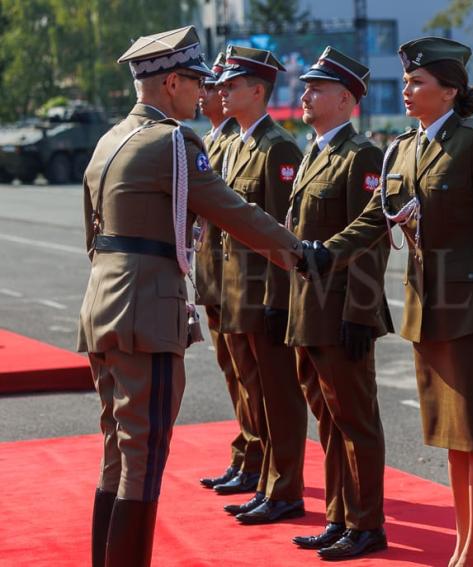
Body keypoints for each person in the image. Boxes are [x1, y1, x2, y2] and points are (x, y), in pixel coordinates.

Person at [80, 26, 303, 567]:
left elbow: (91, 236)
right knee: (143, 454)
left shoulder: (111, 138)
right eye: (197, 83)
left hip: (103, 305)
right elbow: (235, 213)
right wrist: (300, 253)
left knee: (117, 448)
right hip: (145, 312)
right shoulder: (174, 144)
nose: (204, 94)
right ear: (172, 82)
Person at [299, 36, 473, 567]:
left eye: (418, 81)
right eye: (405, 80)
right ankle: (465, 547)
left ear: (450, 92)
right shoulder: (403, 148)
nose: (406, 88)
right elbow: (378, 220)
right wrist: (327, 253)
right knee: (451, 437)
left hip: (472, 311)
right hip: (426, 308)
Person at [285, 46, 393, 560]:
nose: (304, 95)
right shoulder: (314, 151)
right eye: (306, 87)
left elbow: (370, 242)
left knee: (356, 423)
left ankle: (367, 524)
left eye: (315, 88)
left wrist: (361, 312)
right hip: (309, 310)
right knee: (328, 422)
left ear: (345, 98)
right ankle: (339, 516)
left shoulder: (363, 157)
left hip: (341, 312)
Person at [214, 45, 308, 525]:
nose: (223, 92)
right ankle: (268, 481)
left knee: (279, 395)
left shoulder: (278, 148)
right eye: (223, 85)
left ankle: (286, 488)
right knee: (257, 394)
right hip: (236, 290)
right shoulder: (235, 143)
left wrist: (277, 299)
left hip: (263, 294)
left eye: (232, 85)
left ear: (258, 90)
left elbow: (280, 232)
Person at [195, 53, 263, 492]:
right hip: (215, 275)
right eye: (210, 86)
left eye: (220, 86)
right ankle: (246, 452)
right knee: (233, 372)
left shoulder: (262, 146)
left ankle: (260, 459)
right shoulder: (216, 142)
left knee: (256, 377)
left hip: (246, 282)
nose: (210, 94)